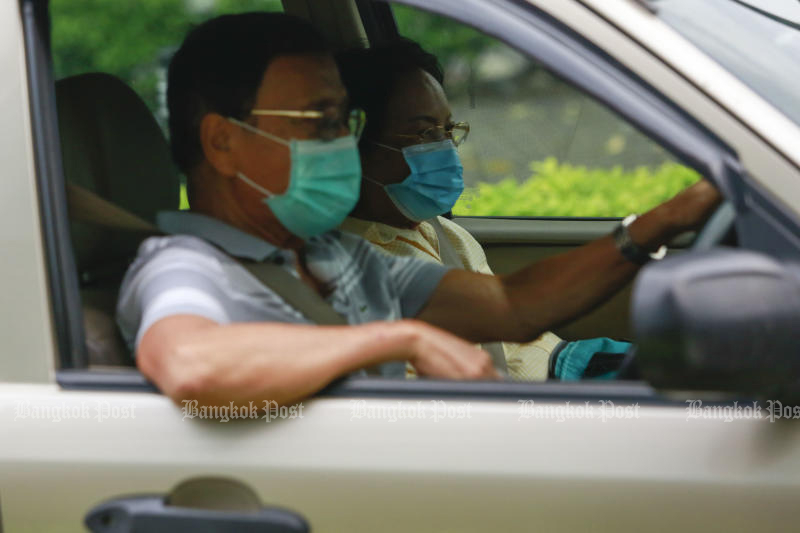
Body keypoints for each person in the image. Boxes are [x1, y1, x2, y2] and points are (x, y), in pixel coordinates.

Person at [117, 13, 720, 409]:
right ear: (223, 142)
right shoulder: (184, 267)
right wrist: (395, 338)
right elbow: (190, 363)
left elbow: (511, 306)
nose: (340, 142)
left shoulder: (335, 256)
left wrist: (662, 222)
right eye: (318, 122)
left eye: (343, 120)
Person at [335, 40, 642, 381]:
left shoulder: (437, 228)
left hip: (566, 361)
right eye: (424, 133)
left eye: (448, 130)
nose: (447, 147)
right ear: (358, 148)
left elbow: (510, 314)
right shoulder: (355, 267)